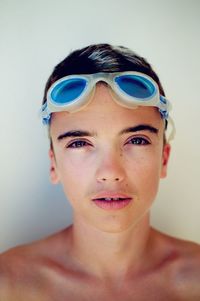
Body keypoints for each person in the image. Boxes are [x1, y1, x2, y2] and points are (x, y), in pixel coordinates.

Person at [0, 44, 200, 301]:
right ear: (54, 164)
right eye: (79, 143)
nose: (110, 173)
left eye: (136, 140)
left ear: (163, 158)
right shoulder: (9, 285)